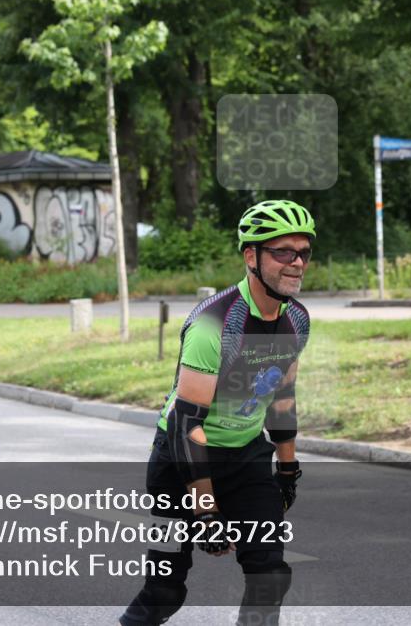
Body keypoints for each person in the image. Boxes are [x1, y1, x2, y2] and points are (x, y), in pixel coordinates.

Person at [120, 200, 316, 626]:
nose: (297, 262)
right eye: (284, 251)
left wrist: (287, 471)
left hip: (246, 458)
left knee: (270, 576)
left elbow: (283, 398)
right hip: (179, 462)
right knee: (164, 590)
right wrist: (206, 512)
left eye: (304, 252)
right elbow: (186, 425)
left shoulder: (296, 320)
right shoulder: (214, 323)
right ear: (252, 256)